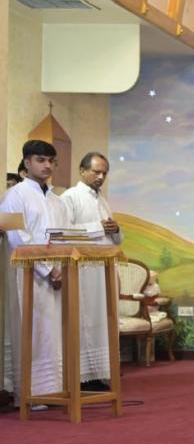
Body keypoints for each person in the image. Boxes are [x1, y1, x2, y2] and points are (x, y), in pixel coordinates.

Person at [1, 140, 68, 406]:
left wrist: (60, 268)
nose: (47, 165)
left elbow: (63, 237)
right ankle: (28, 395)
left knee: (51, 336)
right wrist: (47, 268)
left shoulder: (57, 201)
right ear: (27, 162)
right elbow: (17, 237)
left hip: (55, 276)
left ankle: (52, 391)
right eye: (41, 160)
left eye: (51, 161)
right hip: (26, 275)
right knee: (30, 332)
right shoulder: (14, 195)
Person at [61, 153, 122, 390]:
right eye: (96, 171)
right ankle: (81, 377)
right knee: (85, 320)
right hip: (83, 271)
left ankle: (100, 373)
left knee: (103, 322)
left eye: (104, 173)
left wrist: (115, 229)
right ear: (82, 170)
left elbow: (114, 237)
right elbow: (63, 233)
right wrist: (98, 228)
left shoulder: (102, 201)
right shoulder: (69, 197)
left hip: (103, 270)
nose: (101, 177)